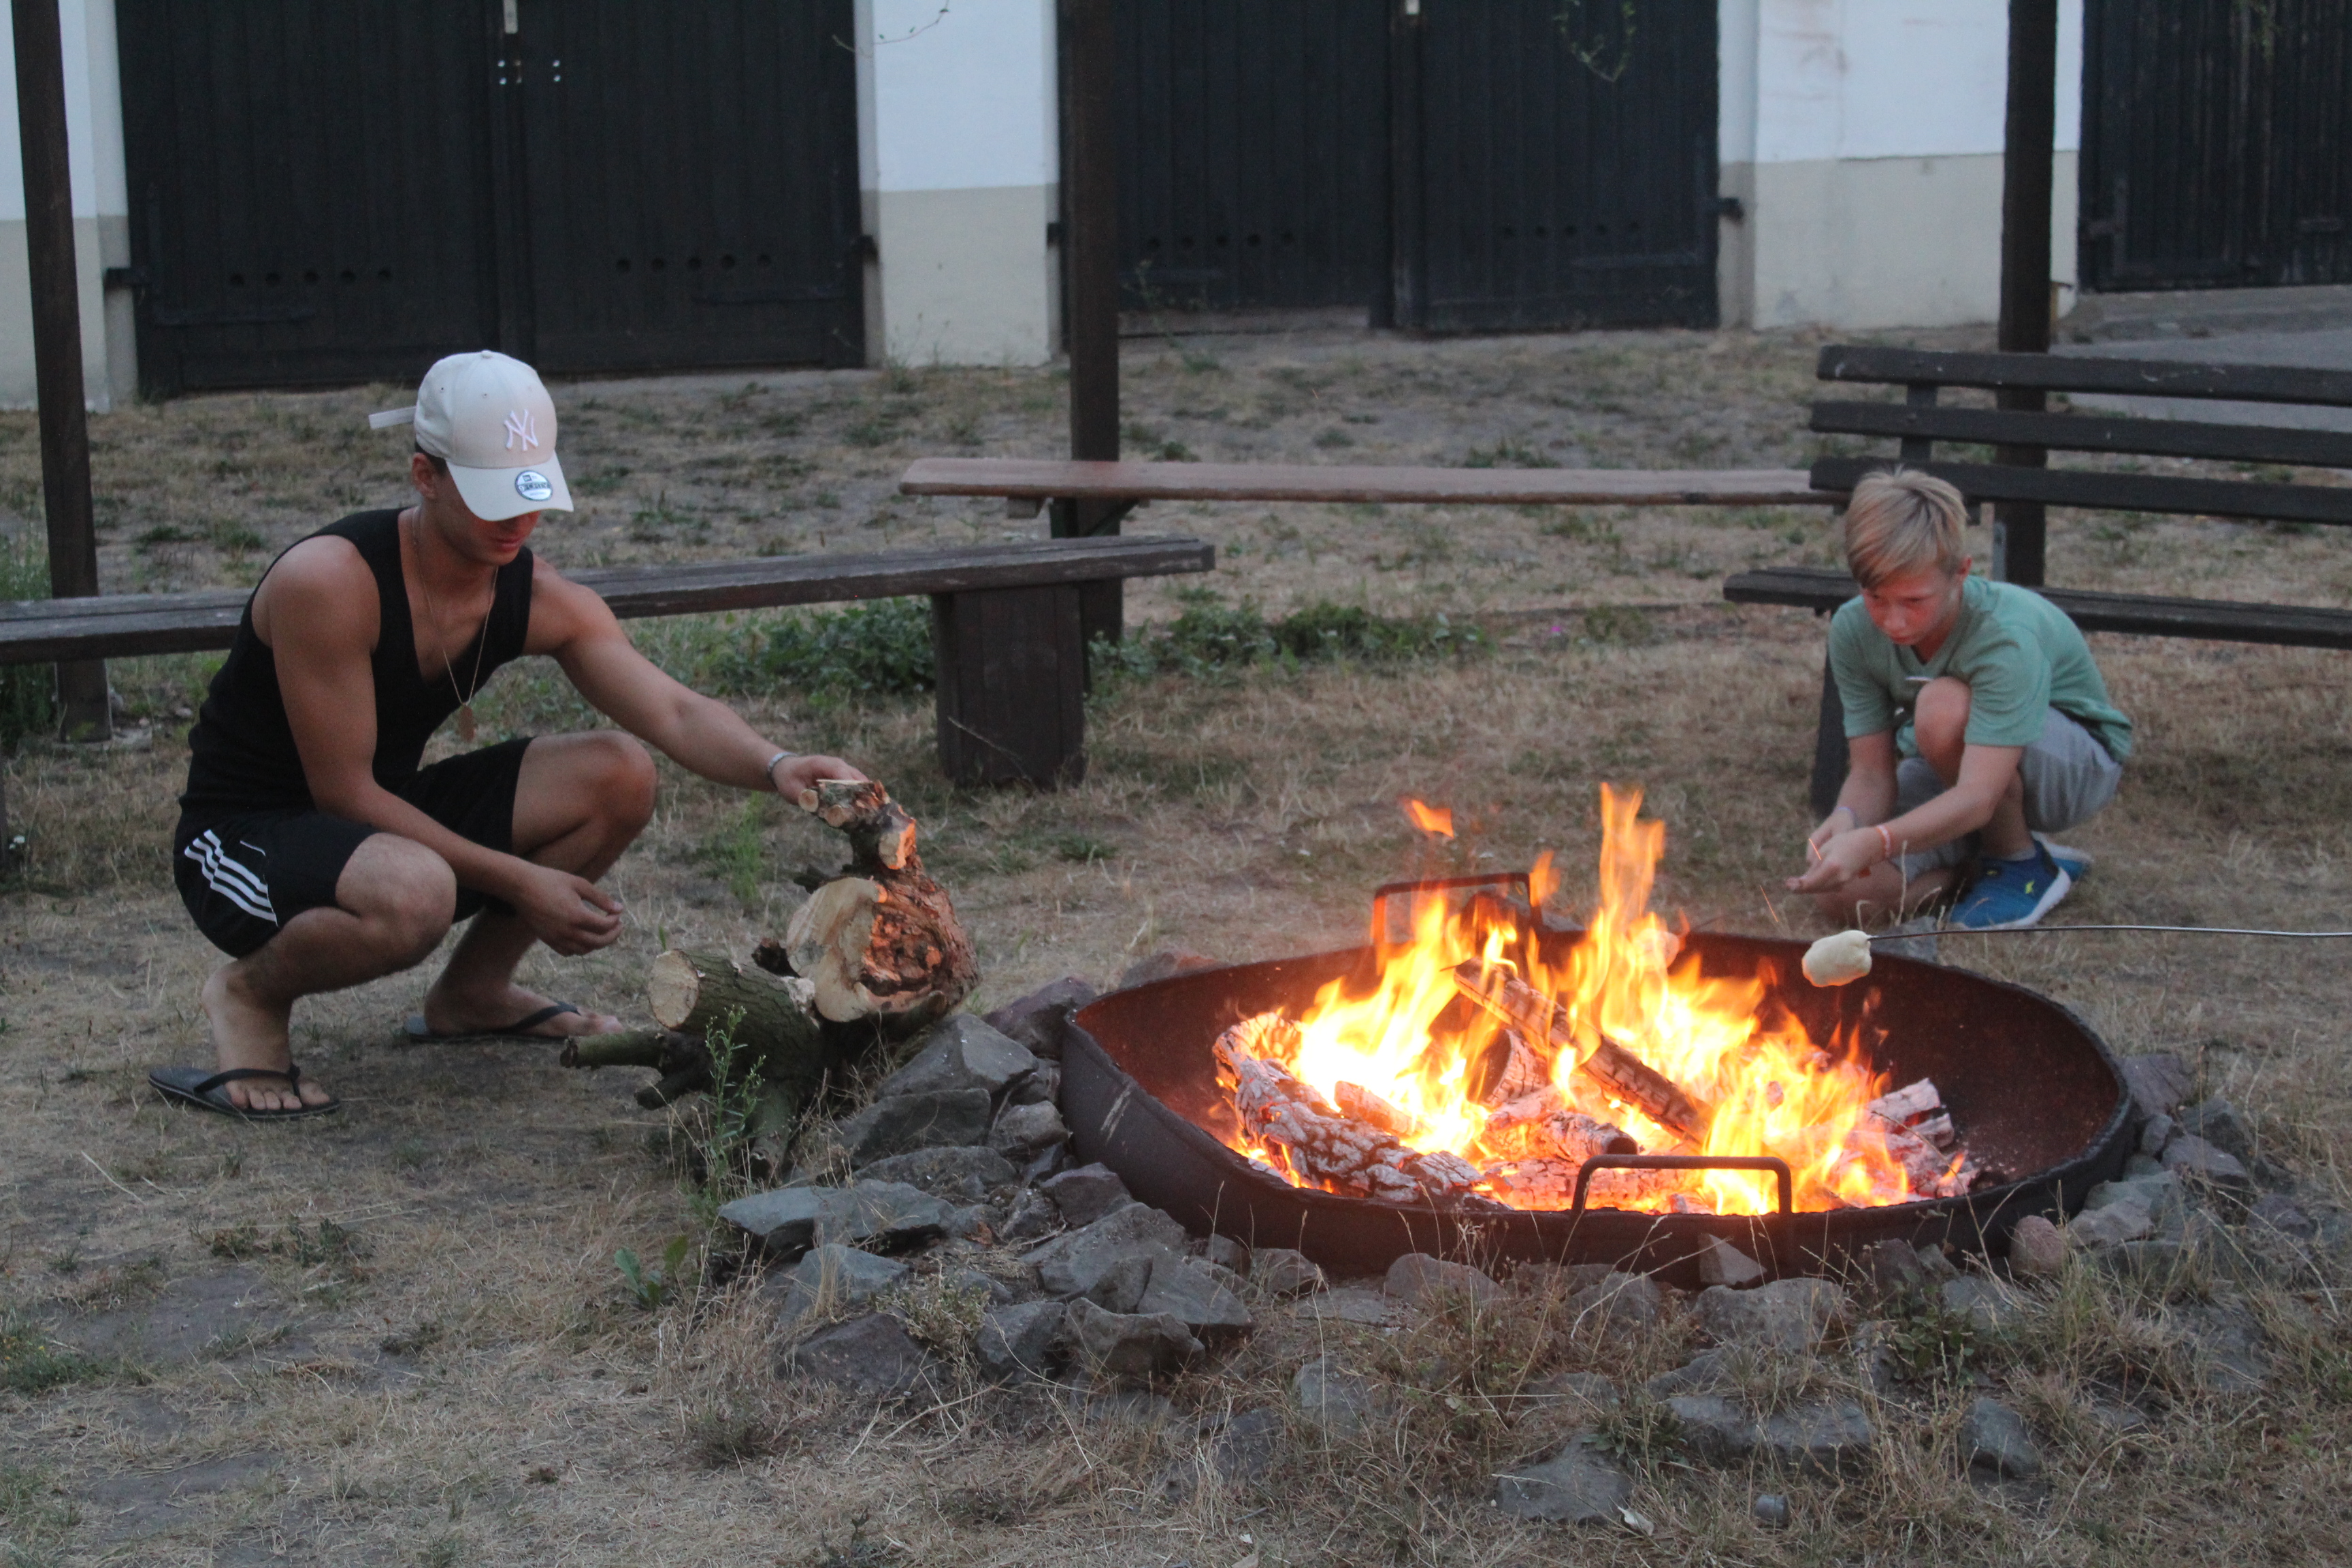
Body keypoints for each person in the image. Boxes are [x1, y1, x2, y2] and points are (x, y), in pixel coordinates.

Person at [148, 350, 864, 1119]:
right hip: (241, 839)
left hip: (376, 823)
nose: (518, 523)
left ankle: (475, 991)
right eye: (494, 500)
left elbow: (673, 712)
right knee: (416, 891)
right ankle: (248, 993)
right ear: (427, 477)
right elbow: (343, 792)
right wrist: (522, 881)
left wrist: (777, 764)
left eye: (532, 497)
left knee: (619, 771)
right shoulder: (329, 582)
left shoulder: (535, 589)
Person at [1785, 469, 2132, 930]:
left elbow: (1977, 794)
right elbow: (1870, 773)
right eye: (1875, 597)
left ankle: (2017, 861)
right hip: (1951, 761)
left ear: (1961, 573)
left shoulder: (2005, 635)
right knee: (1847, 897)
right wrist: (1849, 822)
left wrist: (1878, 841)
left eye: (1914, 600)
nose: (1894, 621)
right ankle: (1976, 870)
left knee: (1941, 706)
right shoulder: (1852, 629)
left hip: (2070, 764)